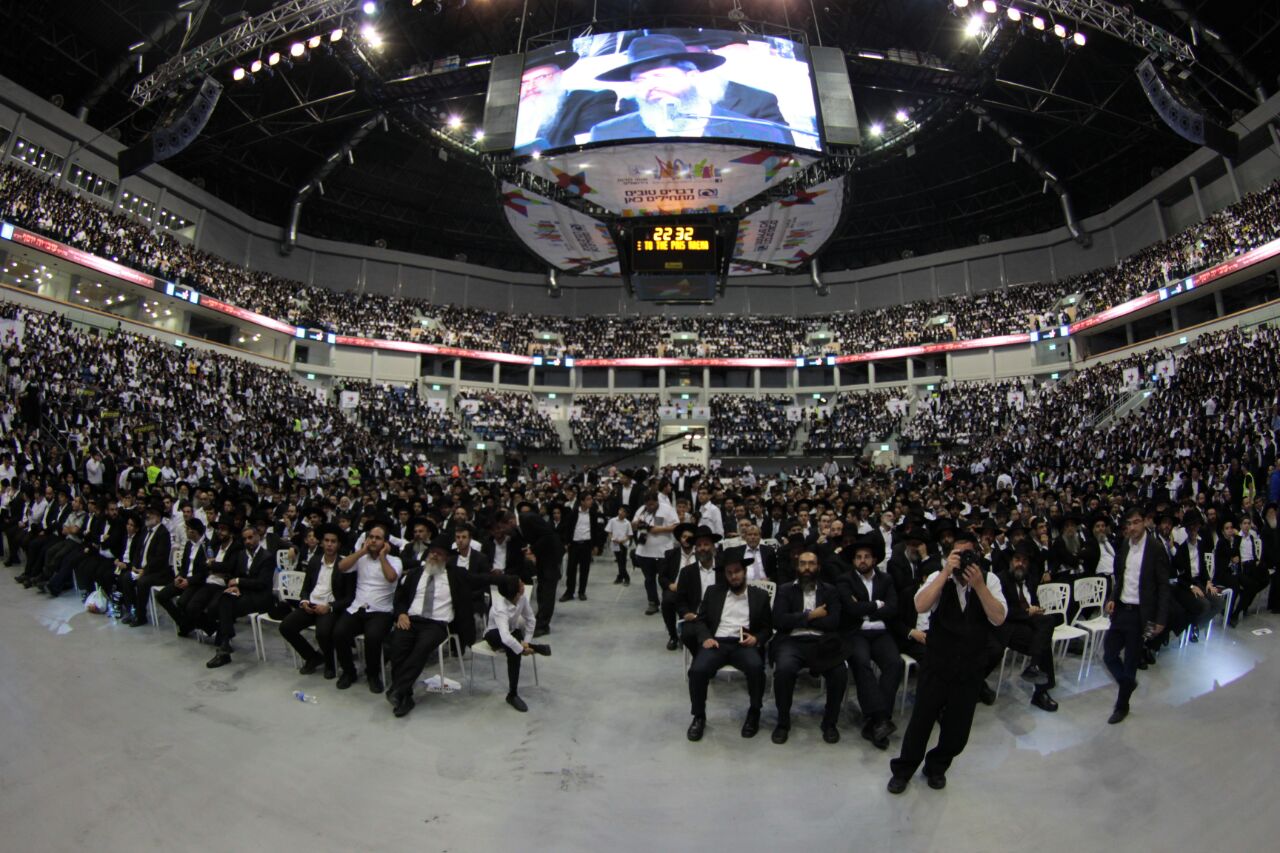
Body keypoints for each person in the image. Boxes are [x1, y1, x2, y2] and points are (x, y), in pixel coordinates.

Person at [888, 529, 1006, 794]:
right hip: (938, 662)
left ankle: (937, 766)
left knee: (958, 732)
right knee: (921, 722)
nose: (963, 560)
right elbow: (920, 605)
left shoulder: (991, 581)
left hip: (970, 666)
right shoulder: (937, 577)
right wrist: (944, 574)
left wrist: (979, 586)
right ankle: (904, 770)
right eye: (958, 553)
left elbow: (998, 617)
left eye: (969, 554)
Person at [589, 35, 789, 145]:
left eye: (659, 76)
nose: (649, 86)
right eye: (639, 80)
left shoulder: (760, 133)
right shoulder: (608, 134)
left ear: (692, 76)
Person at [386, 535, 482, 718]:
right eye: (432, 552)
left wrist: (504, 579)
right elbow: (399, 597)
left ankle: (398, 689)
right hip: (411, 620)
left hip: (436, 624)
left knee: (421, 648)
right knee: (397, 645)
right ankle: (404, 695)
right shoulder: (415, 573)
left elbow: (481, 578)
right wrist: (401, 613)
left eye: (439, 554)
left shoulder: (455, 575)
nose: (434, 556)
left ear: (446, 557)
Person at [685, 555, 773, 742]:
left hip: (743, 644)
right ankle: (699, 716)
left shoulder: (760, 596)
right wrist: (706, 638)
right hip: (717, 642)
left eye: (737, 572)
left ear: (745, 572)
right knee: (697, 671)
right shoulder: (713, 592)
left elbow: (767, 628)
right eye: (729, 573)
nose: (734, 576)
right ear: (725, 575)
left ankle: (754, 712)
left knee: (756, 668)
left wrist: (756, 638)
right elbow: (700, 621)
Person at [1102, 507, 1170, 724]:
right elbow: (1121, 576)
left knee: (1131, 659)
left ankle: (1122, 706)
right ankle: (1127, 683)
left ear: (1145, 522)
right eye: (1129, 524)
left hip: (1141, 614)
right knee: (1109, 654)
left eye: (1136, 522)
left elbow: (1163, 586)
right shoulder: (1124, 544)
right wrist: (1113, 596)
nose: (1132, 527)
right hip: (1122, 608)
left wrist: (1160, 619)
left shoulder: (1156, 548)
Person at [771, 549, 846, 745]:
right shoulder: (785, 589)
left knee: (839, 672)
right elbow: (779, 621)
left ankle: (830, 723)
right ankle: (783, 722)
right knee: (784, 671)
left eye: (811, 563)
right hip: (792, 642)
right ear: (797, 567)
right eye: (802, 563)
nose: (806, 568)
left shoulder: (830, 591)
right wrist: (812, 616)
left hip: (823, 642)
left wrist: (797, 620)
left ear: (818, 567)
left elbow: (834, 622)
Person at [838, 536, 902, 749]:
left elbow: (893, 607)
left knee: (895, 663)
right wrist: (876, 605)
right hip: (856, 633)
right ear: (854, 560)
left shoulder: (886, 580)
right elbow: (850, 609)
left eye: (866, 557)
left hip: (882, 633)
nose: (862, 560)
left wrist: (865, 609)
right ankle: (880, 721)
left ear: (874, 559)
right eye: (858, 557)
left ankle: (877, 721)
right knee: (862, 663)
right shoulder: (845, 580)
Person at [988, 541, 1059, 712]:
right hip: (1007, 626)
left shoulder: (1030, 580)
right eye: (1017, 559)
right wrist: (1028, 612)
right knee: (1043, 641)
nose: (1021, 563)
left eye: (1025, 561)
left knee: (1047, 623)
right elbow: (1001, 612)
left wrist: (1035, 610)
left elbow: (1034, 604)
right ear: (1011, 561)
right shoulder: (1000, 579)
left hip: (1028, 623)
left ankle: (1035, 670)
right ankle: (1040, 689)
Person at [332, 523, 403, 692]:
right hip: (358, 608)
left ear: (385, 542)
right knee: (339, 632)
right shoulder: (360, 558)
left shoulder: (395, 560)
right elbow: (341, 567)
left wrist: (383, 556)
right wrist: (362, 551)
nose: (373, 540)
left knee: (373, 637)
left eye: (378, 538)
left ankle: (373, 674)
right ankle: (349, 672)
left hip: (381, 611)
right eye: (371, 537)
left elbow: (392, 577)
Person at [278, 524, 353, 678]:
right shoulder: (314, 561)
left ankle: (330, 663)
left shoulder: (344, 565)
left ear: (338, 544)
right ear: (322, 542)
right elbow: (305, 588)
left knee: (323, 633)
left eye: (333, 541)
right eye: (327, 540)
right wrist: (304, 601)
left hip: (328, 607)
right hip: (311, 604)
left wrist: (330, 607)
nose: (330, 544)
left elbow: (349, 597)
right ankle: (312, 657)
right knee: (286, 627)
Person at [513, 49, 619, 153]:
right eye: (524, 82)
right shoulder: (511, 115)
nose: (531, 87)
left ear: (559, 74)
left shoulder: (590, 102)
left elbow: (593, 151)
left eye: (541, 77)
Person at [204, 525, 277, 668]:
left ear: (257, 537)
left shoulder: (267, 557)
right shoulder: (242, 555)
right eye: (245, 539)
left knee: (225, 604)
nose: (248, 541)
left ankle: (224, 645)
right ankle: (224, 643)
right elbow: (234, 574)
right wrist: (235, 586)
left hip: (261, 597)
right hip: (244, 593)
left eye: (250, 537)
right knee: (222, 600)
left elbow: (261, 584)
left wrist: (238, 582)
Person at [484, 574, 551, 713]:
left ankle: (512, 694)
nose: (523, 586)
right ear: (515, 592)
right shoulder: (500, 608)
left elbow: (531, 620)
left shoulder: (521, 598)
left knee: (515, 638)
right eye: (521, 584)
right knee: (512, 646)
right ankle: (512, 694)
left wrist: (525, 642)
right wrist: (521, 649)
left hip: (512, 633)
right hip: (494, 634)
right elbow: (505, 637)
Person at [633, 490, 679, 618]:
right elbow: (633, 525)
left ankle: (668, 602)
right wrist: (637, 524)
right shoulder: (641, 510)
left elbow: (676, 526)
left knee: (665, 579)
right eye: (648, 505)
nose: (650, 507)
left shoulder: (668, 509)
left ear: (657, 501)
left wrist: (659, 529)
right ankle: (653, 602)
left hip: (663, 552)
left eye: (652, 504)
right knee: (649, 579)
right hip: (644, 552)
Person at [559, 492, 605, 602]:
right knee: (571, 570)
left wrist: (595, 545)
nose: (591, 501)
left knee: (585, 569)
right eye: (588, 499)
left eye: (591, 499)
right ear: (582, 501)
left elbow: (594, 530)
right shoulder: (573, 513)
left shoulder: (593, 514)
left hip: (586, 544)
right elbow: (568, 529)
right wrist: (566, 543)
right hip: (574, 545)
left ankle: (582, 592)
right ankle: (569, 592)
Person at [605, 505, 633, 586]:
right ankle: (620, 577)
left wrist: (623, 540)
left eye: (623, 511)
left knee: (622, 562)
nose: (621, 512)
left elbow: (629, 535)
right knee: (619, 561)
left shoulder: (627, 523)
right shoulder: (612, 520)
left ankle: (626, 578)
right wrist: (612, 539)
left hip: (623, 544)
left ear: (626, 514)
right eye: (620, 510)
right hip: (615, 544)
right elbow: (609, 531)